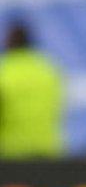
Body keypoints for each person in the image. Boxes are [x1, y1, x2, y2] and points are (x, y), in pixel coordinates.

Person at [0, 22, 65, 159]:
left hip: (12, 153)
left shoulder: (4, 72)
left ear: (8, 43)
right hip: (48, 150)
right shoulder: (48, 70)